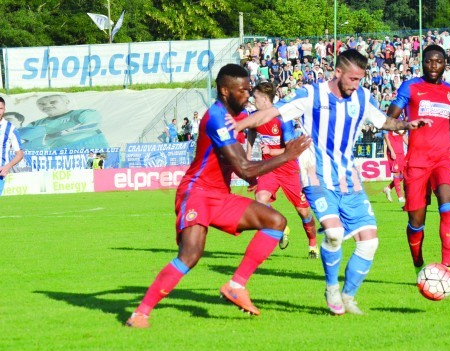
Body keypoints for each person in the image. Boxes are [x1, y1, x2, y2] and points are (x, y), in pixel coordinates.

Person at [232, 49, 423, 316]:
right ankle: (332, 288)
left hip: (349, 178)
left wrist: (406, 124)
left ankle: (349, 296)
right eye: (353, 79)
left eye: (360, 80)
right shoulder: (312, 95)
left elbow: (384, 122)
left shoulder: (363, 98)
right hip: (315, 174)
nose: (356, 85)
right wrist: (237, 126)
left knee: (369, 242)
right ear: (338, 73)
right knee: (333, 234)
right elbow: (269, 113)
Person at [125, 64, 311, 328]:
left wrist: (254, 175)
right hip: (197, 193)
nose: (247, 95)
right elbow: (243, 167)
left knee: (276, 222)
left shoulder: (233, 118)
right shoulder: (215, 117)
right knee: (190, 255)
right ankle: (140, 314)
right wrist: (286, 156)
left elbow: (244, 169)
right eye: (243, 90)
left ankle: (236, 285)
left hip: (219, 195)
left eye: (249, 89)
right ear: (225, 90)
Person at [386, 44, 450, 275]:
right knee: (416, 222)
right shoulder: (411, 87)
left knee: (447, 207)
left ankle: (446, 267)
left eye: (439, 61)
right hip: (416, 162)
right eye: (429, 61)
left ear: (445, 63)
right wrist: (404, 125)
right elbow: (389, 119)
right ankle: (418, 264)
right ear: (422, 62)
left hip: (443, 158)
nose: (434, 65)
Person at [246, 81, 319, 259]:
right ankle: (282, 225)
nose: (252, 100)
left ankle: (313, 244)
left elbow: (290, 150)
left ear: (264, 99)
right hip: (268, 168)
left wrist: (271, 151)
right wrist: (248, 156)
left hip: (288, 169)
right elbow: (252, 132)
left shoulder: (282, 119)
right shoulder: (255, 116)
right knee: (260, 200)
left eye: (255, 97)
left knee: (303, 211)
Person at [18, 94, 108, 150]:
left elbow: (92, 125)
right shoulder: (35, 124)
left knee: (98, 178)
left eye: (53, 102)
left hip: (90, 152)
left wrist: (55, 135)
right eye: (42, 104)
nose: (47, 106)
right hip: (56, 158)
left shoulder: (83, 113)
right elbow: (22, 139)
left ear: (66, 102)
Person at [0, 97, 25, 196]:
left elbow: (19, 154)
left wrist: (7, 167)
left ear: (4, 109)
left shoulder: (10, 129)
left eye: (0, 108)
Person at [381, 128, 408, 203]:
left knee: (402, 175)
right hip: (393, 153)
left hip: (401, 153)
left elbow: (407, 141)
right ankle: (400, 197)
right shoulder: (388, 126)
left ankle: (388, 188)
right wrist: (392, 151)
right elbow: (386, 139)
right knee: (396, 174)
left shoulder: (400, 129)